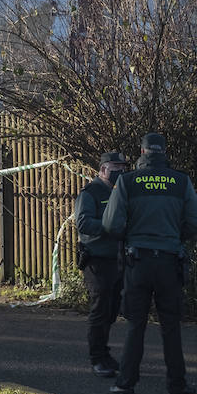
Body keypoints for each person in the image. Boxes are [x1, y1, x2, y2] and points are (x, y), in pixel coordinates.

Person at [101, 132, 197, 394]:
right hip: (170, 261)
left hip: (138, 262)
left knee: (136, 324)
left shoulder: (127, 181)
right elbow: (196, 220)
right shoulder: (181, 182)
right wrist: (173, 237)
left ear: (142, 152)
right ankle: (177, 385)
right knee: (170, 325)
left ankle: (126, 383)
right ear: (164, 152)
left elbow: (111, 225)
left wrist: (132, 234)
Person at [74, 151, 129, 377]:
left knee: (112, 309)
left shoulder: (120, 192)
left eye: (123, 168)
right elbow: (84, 223)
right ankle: (97, 358)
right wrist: (110, 226)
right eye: (116, 168)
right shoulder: (91, 193)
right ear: (104, 169)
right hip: (97, 260)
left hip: (117, 259)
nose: (121, 172)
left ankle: (104, 353)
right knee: (100, 310)